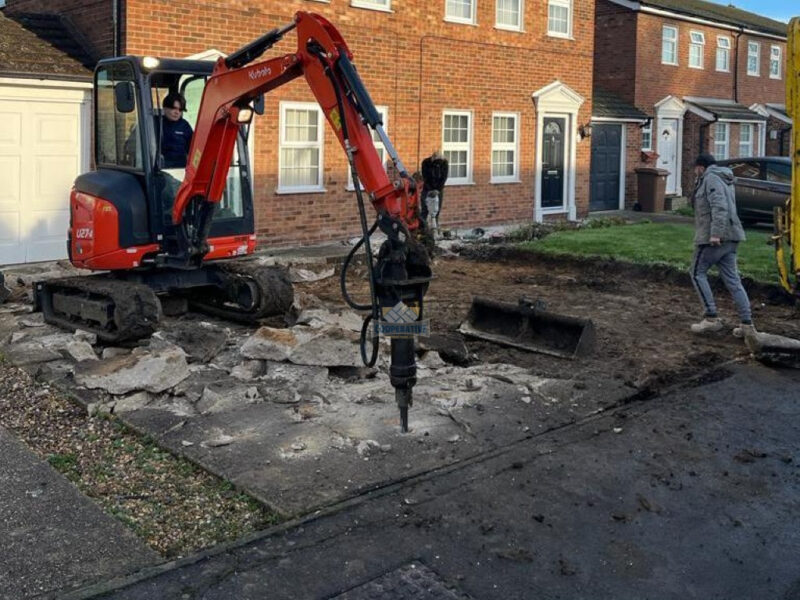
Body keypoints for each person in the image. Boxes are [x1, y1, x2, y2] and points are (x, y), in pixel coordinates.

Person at [688, 153, 754, 338]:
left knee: (696, 272)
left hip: (717, 238)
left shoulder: (711, 179)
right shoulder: (725, 178)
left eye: (696, 168)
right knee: (733, 281)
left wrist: (715, 234)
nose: (695, 172)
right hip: (732, 237)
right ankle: (747, 325)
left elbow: (720, 206)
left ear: (701, 167)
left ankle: (711, 318)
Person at [156, 92, 193, 168]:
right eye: (174, 108)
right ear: (165, 108)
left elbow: (193, 148)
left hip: (180, 169)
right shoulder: (154, 123)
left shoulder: (185, 126)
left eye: (180, 110)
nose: (177, 112)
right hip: (158, 168)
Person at [420, 151, 448, 222]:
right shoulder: (426, 163)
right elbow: (425, 177)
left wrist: (438, 190)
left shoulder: (444, 163)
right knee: (424, 209)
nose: (438, 164)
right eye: (437, 162)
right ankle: (422, 227)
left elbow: (444, 178)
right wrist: (430, 189)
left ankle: (434, 226)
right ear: (433, 158)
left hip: (438, 189)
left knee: (436, 210)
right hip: (427, 188)